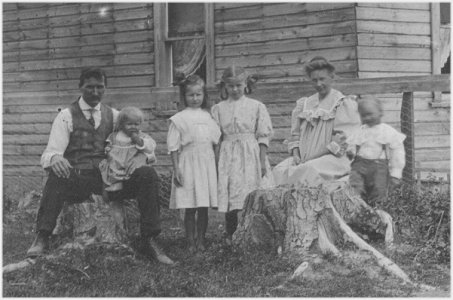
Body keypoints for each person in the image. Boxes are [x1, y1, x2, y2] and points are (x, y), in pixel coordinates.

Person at [26, 68, 174, 264]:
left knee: (147, 174)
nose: (95, 92)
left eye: (100, 87)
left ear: (105, 88)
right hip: (80, 181)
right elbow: (50, 152)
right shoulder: (66, 116)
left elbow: (143, 145)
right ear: (80, 87)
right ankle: (43, 235)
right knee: (56, 176)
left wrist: (141, 157)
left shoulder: (115, 116)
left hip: (112, 182)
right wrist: (54, 159)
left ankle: (150, 239)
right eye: (89, 87)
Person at [272, 56, 361, 187]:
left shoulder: (343, 103)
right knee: (279, 171)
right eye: (314, 80)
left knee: (308, 170)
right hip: (304, 158)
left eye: (322, 79)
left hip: (335, 158)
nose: (318, 84)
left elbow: (342, 142)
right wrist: (296, 155)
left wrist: (311, 158)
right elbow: (295, 135)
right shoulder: (304, 104)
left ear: (332, 77)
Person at [211, 65, 274, 244]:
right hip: (228, 154)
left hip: (251, 153)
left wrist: (261, 161)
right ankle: (231, 233)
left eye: (239, 85)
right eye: (231, 86)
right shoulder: (218, 108)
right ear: (225, 86)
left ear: (245, 84)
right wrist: (216, 162)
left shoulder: (256, 106)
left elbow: (263, 135)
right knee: (231, 193)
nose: (235, 89)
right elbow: (217, 138)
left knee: (253, 190)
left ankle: (259, 233)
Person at [167, 75, 221, 254]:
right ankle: (190, 241)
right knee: (189, 206)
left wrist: (217, 165)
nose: (195, 98)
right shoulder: (179, 119)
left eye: (199, 94)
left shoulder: (209, 117)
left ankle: (201, 240)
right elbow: (174, 147)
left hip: (206, 163)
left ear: (204, 95)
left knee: (203, 206)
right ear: (184, 96)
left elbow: (216, 141)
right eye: (191, 95)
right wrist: (176, 170)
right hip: (188, 164)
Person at [346, 97, 406, 208]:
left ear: (380, 112)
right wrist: (351, 152)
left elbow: (397, 153)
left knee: (379, 193)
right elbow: (353, 145)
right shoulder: (360, 131)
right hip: (359, 166)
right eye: (363, 115)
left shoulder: (387, 132)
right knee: (355, 188)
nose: (367, 118)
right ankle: (357, 210)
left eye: (370, 114)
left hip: (379, 169)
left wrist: (396, 173)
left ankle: (377, 214)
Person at [99, 106, 156, 195]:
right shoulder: (115, 136)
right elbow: (109, 145)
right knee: (110, 169)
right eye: (129, 124)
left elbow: (150, 148)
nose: (133, 127)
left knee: (143, 171)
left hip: (132, 167)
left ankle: (122, 184)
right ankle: (117, 184)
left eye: (136, 124)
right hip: (117, 164)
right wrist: (108, 149)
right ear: (121, 124)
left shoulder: (141, 136)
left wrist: (139, 141)